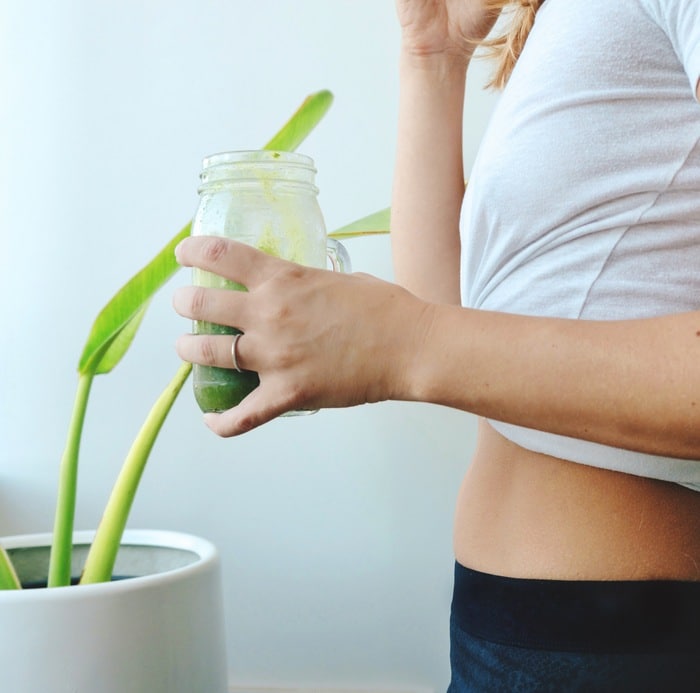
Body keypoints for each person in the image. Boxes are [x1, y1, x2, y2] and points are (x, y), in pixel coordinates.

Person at [173, 0, 700, 689]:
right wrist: (432, 55)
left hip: (622, 643)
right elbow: (455, 310)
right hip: (502, 625)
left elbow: (425, 334)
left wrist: (402, 342)